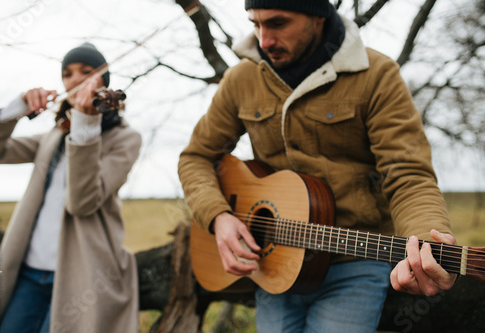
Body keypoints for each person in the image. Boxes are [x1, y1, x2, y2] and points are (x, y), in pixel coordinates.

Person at [178, 1, 457, 332]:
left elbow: (407, 174)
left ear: (318, 16)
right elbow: (197, 157)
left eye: (278, 23)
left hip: (353, 262)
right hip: (273, 264)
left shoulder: (377, 75)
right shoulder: (242, 79)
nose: (264, 40)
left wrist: (425, 241)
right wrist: (219, 216)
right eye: (256, 24)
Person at [0, 43, 141, 333]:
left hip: (78, 276)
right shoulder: (54, 133)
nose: (75, 79)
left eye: (86, 71)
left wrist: (85, 125)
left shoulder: (125, 139)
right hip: (30, 271)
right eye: (67, 73)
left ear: (104, 82)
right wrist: (17, 108)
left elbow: (81, 203)